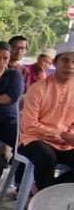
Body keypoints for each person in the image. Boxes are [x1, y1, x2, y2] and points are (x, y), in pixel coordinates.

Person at [18, 45, 74, 190]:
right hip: (34, 139)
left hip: (65, 143)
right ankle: (45, 198)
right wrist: (61, 134)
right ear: (55, 63)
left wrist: (69, 136)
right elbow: (29, 125)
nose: (70, 66)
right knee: (47, 158)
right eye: (65, 61)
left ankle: (46, 191)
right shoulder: (38, 88)